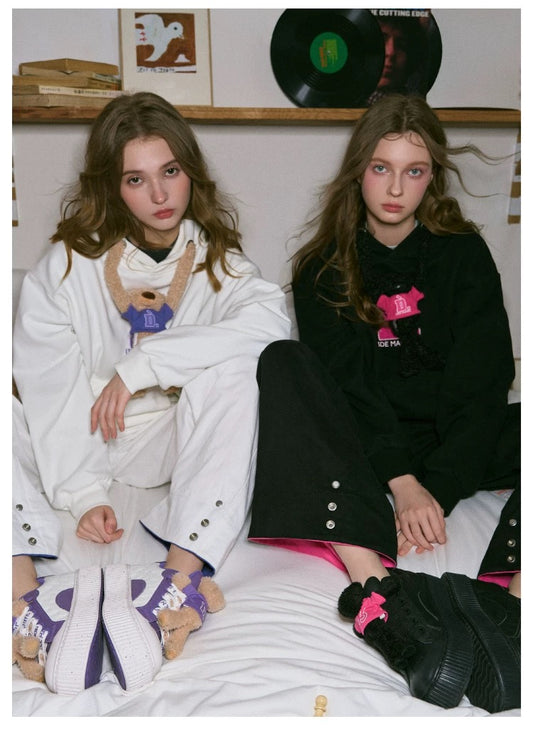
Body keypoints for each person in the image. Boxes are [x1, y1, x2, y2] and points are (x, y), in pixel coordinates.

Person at [248, 94, 520, 713]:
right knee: (282, 361)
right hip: (366, 450)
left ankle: (512, 606)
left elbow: (483, 384)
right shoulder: (321, 267)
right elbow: (350, 390)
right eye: (381, 168)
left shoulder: (464, 254)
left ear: (432, 177)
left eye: (413, 171)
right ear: (358, 172)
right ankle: (375, 590)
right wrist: (401, 482)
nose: (396, 189)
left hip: (458, 446)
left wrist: (438, 488)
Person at [12, 91, 291, 693]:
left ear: (191, 171)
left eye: (170, 171)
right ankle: (21, 602)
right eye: (136, 180)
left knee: (238, 373)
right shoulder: (65, 266)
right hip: (81, 433)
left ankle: (177, 583)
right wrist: (84, 493)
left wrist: (144, 366)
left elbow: (271, 324)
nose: (160, 194)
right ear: (113, 187)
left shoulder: (218, 261)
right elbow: (50, 386)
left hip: (167, 438)